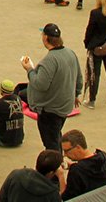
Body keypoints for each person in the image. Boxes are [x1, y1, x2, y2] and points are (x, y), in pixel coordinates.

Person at [22, 23, 82, 152]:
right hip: (64, 105)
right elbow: (79, 77)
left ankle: (56, 166)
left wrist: (29, 70)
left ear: (45, 38)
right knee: (55, 135)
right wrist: (76, 94)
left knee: (50, 143)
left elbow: (40, 84)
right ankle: (58, 157)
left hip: (50, 109)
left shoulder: (50, 60)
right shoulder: (70, 53)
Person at [59, 129, 106, 199]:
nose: (65, 155)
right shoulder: (104, 157)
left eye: (66, 151)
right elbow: (90, 167)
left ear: (78, 147)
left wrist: (60, 175)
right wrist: (73, 165)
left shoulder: (76, 171)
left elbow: (66, 198)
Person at [0, 149, 64, 202]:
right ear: (51, 173)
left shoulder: (16, 175)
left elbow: (2, 198)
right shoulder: (52, 192)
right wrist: (61, 176)